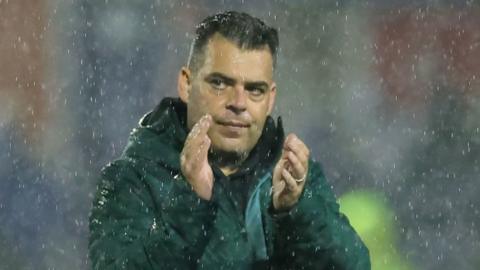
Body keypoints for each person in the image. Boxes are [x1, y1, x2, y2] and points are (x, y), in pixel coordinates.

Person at [89, 11, 370, 269]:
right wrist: (192, 200)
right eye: (220, 84)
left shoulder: (290, 178)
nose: (238, 103)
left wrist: (293, 213)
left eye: (254, 90)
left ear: (271, 98)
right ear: (187, 84)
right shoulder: (132, 181)